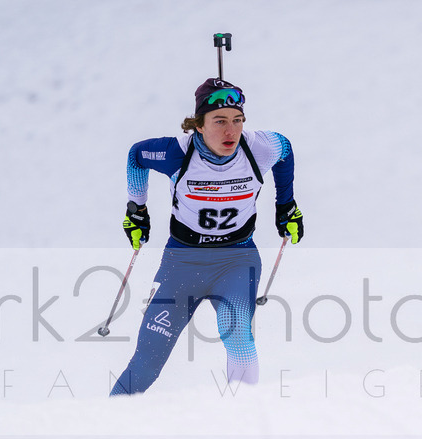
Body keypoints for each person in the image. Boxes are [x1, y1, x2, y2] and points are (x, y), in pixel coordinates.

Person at [109, 77, 303, 396]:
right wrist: (136, 210)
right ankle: (103, 427)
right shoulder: (175, 153)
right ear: (198, 125)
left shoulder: (261, 147)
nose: (231, 131)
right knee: (149, 357)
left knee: (238, 337)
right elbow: (137, 156)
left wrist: (286, 206)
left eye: (237, 120)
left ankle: (244, 421)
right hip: (182, 263)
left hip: (236, 261)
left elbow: (286, 149)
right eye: (220, 121)